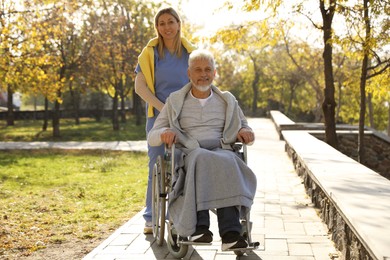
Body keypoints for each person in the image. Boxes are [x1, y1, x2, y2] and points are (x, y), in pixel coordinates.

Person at [147, 49, 257, 250]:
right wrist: (164, 133)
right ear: (189, 74)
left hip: (222, 150)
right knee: (201, 157)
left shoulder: (228, 101)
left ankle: (231, 233)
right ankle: (200, 228)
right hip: (189, 153)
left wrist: (245, 131)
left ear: (215, 73)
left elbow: (245, 126)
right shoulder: (175, 101)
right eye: (198, 69)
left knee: (231, 159)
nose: (203, 74)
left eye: (208, 69)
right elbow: (152, 136)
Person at [134, 7, 196, 234]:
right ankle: (151, 217)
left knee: (185, 164)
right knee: (156, 164)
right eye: (162, 23)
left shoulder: (191, 53)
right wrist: (163, 109)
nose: (167, 27)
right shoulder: (150, 53)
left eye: (171, 22)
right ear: (157, 27)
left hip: (186, 116)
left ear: (178, 24)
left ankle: (179, 215)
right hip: (158, 116)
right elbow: (139, 86)